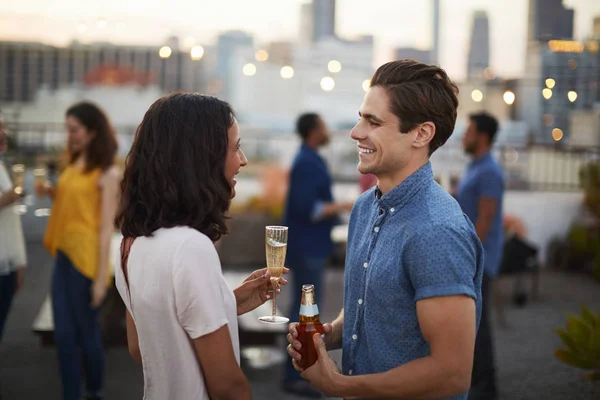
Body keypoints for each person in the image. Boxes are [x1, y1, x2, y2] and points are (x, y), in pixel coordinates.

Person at [286, 59, 485, 400]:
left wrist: (341, 385)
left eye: (373, 122)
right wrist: (329, 333)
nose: (355, 132)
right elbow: (372, 302)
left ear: (421, 134)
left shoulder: (437, 231)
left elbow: (452, 374)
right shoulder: (366, 207)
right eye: (361, 117)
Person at [114, 92, 288, 400]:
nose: (243, 160)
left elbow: (141, 347)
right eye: (235, 148)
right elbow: (227, 386)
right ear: (201, 159)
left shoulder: (131, 243)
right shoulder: (190, 248)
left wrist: (226, 303)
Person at [40, 102, 120, 400]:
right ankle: (71, 394)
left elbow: (104, 229)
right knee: (63, 336)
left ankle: (95, 391)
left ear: (92, 131)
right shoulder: (73, 164)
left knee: (85, 334)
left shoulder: (108, 173)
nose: (69, 135)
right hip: (64, 256)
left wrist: (101, 279)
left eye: (74, 130)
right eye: (68, 130)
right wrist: (54, 195)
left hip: (86, 263)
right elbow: (74, 208)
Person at [282, 112, 352, 397]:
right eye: (323, 126)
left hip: (309, 246)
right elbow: (308, 208)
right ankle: (296, 375)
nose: (327, 131)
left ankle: (299, 373)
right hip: (306, 247)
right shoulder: (307, 162)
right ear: (313, 131)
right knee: (305, 312)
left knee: (305, 310)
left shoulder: (308, 159)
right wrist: (344, 205)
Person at [456, 112, 504, 400]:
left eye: (469, 131)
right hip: (472, 256)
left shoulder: (489, 172)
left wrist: (469, 257)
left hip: (479, 259)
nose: (464, 136)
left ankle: (486, 387)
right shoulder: (475, 167)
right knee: (472, 321)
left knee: (478, 324)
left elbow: (485, 219)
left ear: (482, 136)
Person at [0, 116, 27, 342]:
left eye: (4, 126)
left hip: (7, 263)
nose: (4, 132)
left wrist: (18, 261)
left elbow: (10, 221)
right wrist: (6, 199)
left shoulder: (1, 165)